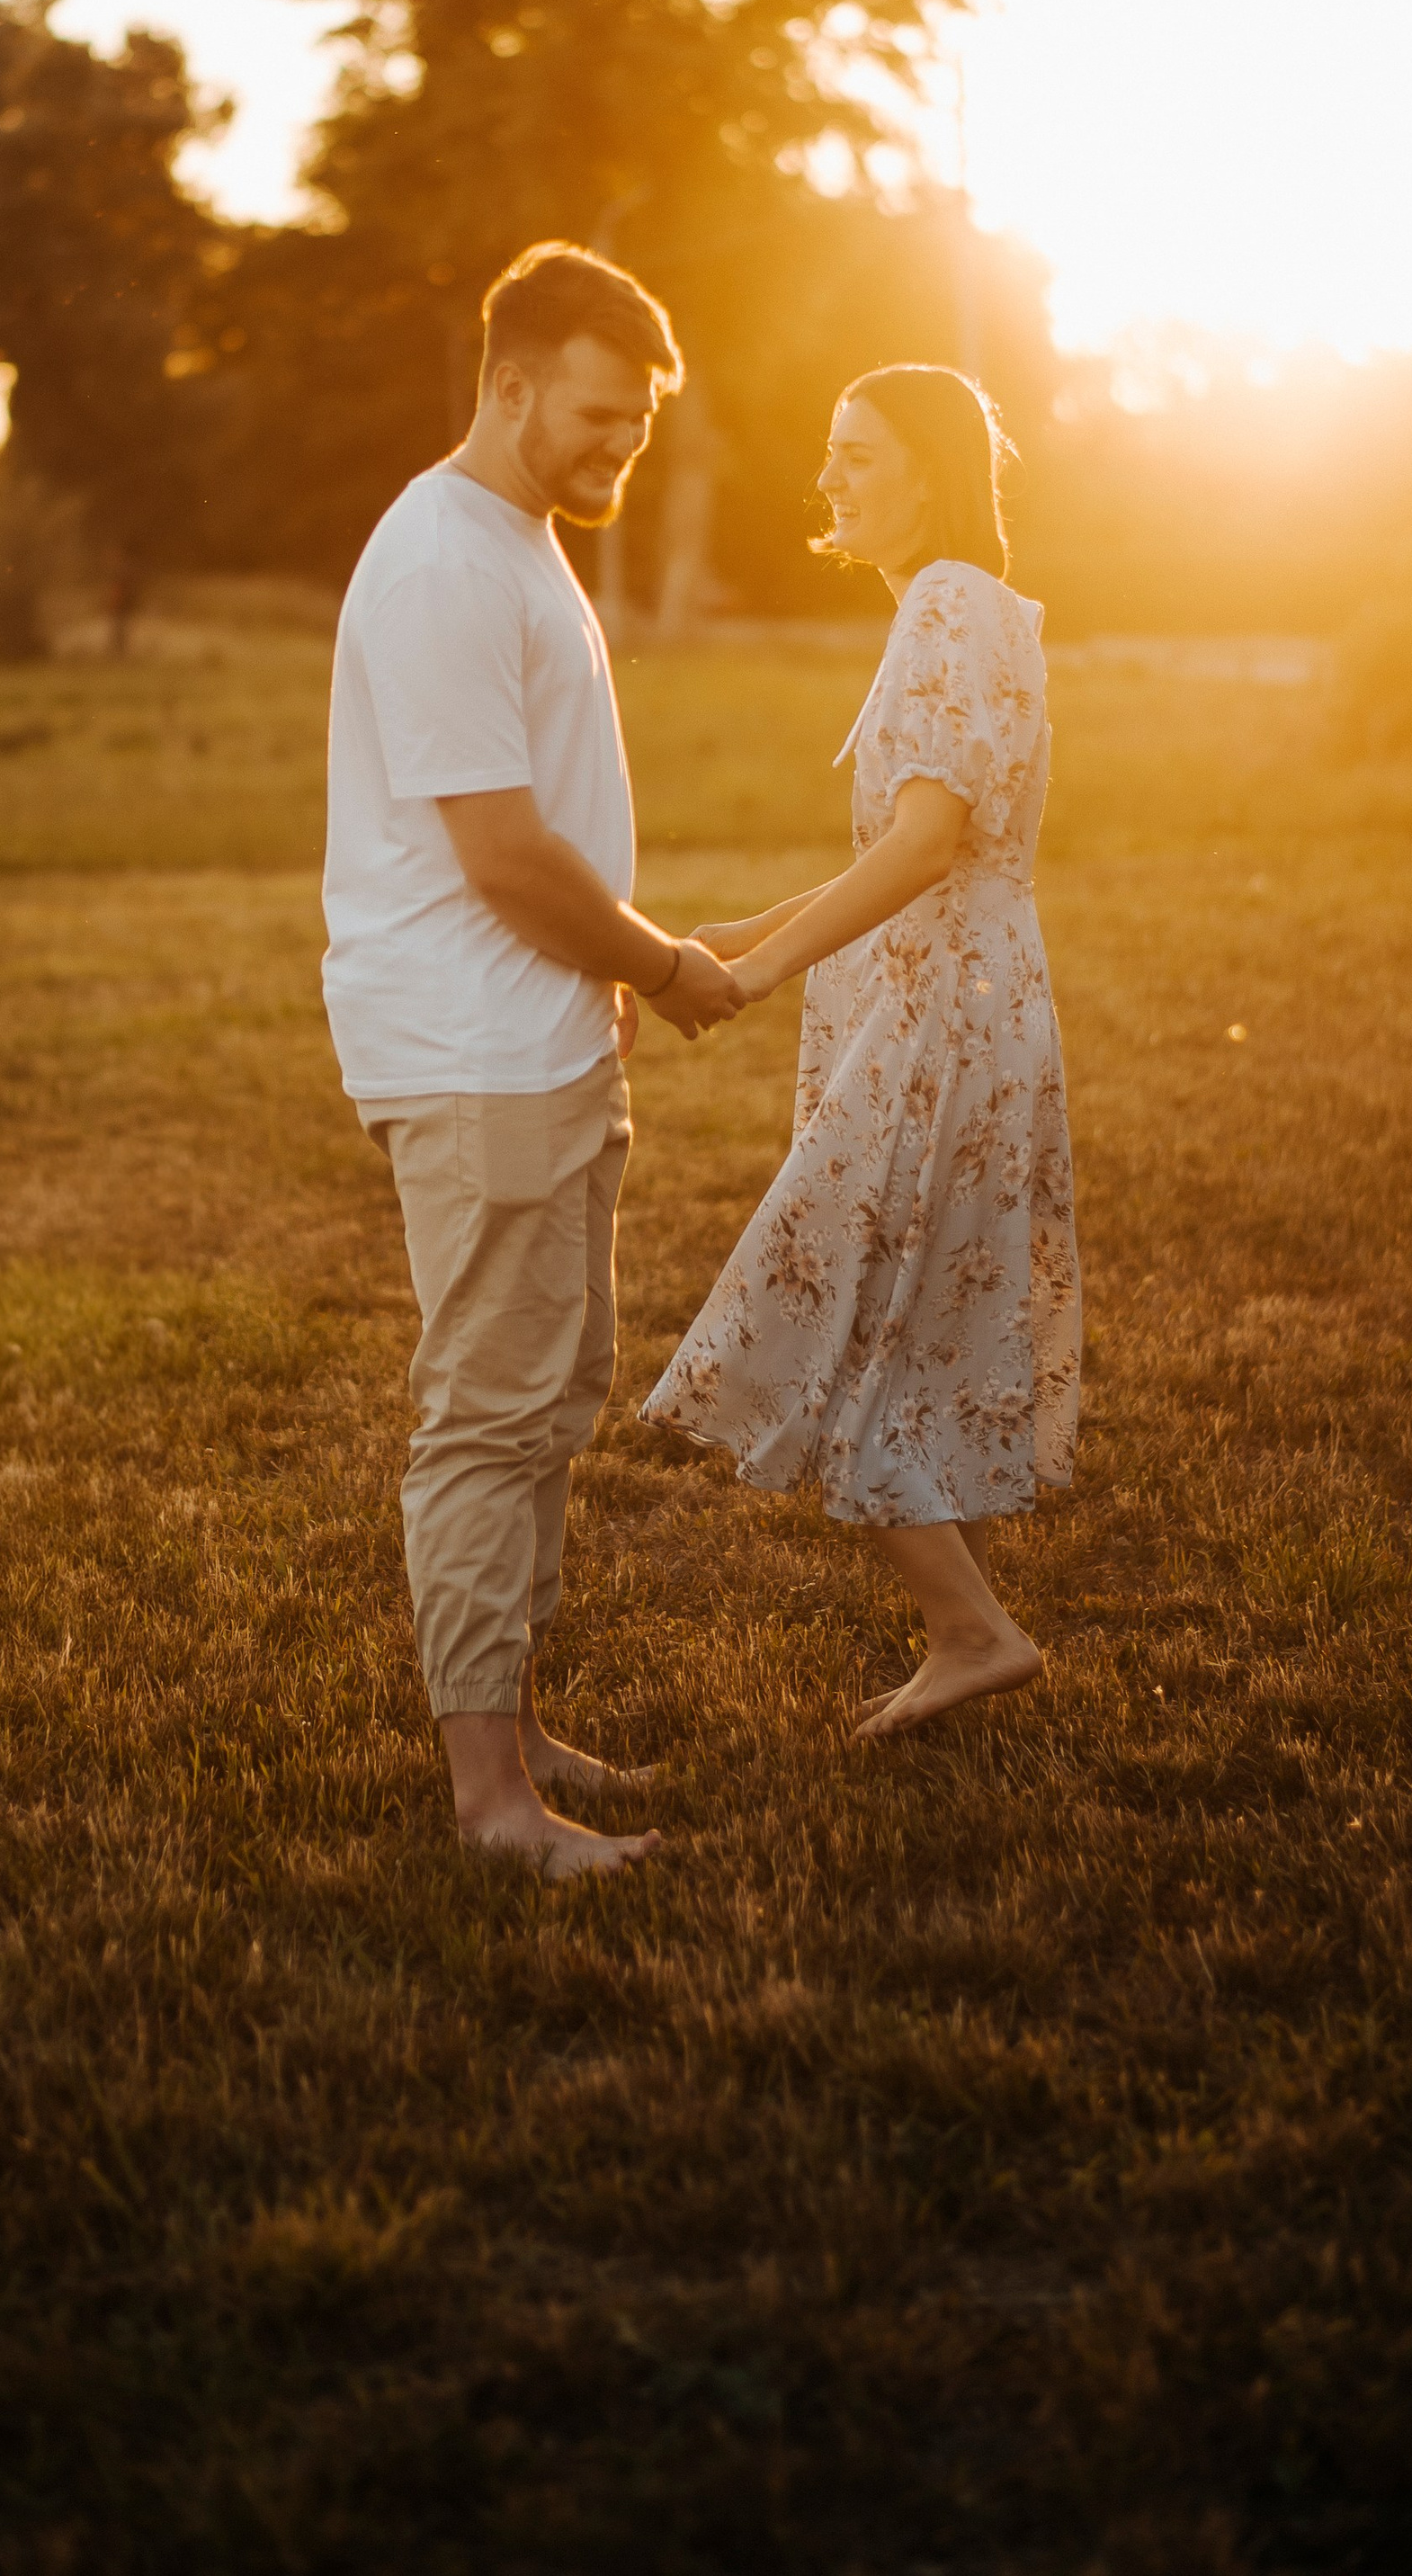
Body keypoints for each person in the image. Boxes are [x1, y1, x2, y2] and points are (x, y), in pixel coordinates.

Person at [323, 243, 745, 1875]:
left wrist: (606, 984)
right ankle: (493, 1806)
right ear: (506, 384)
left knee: (551, 1389)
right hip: (474, 1046)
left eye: (637, 428)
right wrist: (656, 959)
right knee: (490, 1413)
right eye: (594, 415)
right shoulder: (442, 561)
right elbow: (498, 852)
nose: (614, 450)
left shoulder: (522, 541)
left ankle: (509, 1709)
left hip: (547, 1030)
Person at [643, 364, 1080, 1739]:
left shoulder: (951, 603)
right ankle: (968, 1627)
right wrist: (752, 923)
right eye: (829, 454)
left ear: (932, 472)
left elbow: (931, 840)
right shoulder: (959, 610)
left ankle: (972, 1627)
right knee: (870, 1301)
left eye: (859, 455)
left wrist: (767, 966)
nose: (829, 479)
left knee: (824, 1292)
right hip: (952, 991)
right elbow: (921, 848)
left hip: (945, 1014)